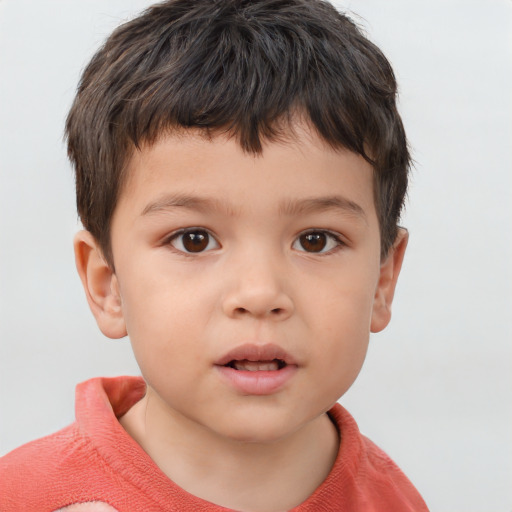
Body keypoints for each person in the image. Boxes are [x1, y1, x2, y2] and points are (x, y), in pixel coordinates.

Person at [0, 0, 429, 510]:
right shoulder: (22, 496)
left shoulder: (395, 502)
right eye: (194, 239)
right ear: (106, 283)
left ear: (383, 280)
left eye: (315, 240)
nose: (260, 293)